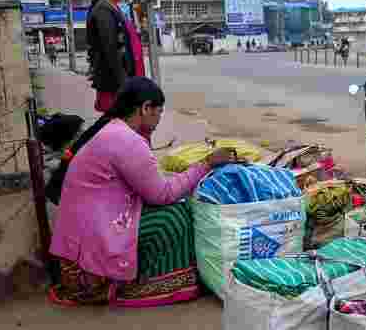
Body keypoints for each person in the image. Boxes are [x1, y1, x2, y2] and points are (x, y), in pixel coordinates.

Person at [48, 77, 237, 307]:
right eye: (159, 112)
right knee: (175, 218)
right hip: (86, 264)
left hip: (78, 250)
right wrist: (206, 164)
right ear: (145, 108)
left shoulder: (113, 130)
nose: (159, 119)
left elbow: (149, 183)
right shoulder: (126, 140)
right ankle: (146, 284)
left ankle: (143, 275)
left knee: (176, 207)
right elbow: (161, 194)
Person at [86, 0, 145, 116]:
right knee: (121, 120)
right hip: (116, 84)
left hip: (124, 79)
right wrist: (123, 85)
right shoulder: (103, 10)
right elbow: (110, 50)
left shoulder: (114, 8)